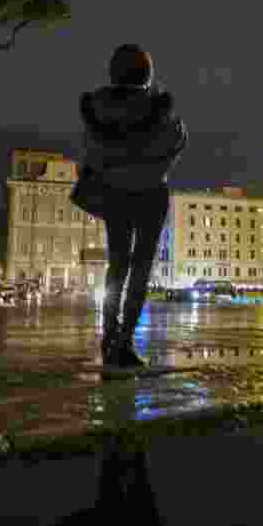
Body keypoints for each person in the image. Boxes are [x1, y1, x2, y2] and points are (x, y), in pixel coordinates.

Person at [79, 44, 187, 367]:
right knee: (141, 267)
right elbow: (177, 142)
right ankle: (124, 341)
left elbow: (91, 151)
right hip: (150, 193)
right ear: (147, 74)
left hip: (114, 192)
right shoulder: (159, 108)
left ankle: (108, 337)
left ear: (114, 73)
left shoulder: (97, 109)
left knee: (117, 265)